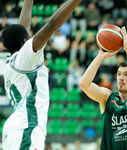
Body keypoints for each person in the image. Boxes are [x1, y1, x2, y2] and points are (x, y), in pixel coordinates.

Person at [1, 0, 81, 150]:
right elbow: (51, 26)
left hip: (18, 128)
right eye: (29, 37)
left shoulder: (12, 60)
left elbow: (22, 28)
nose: (32, 38)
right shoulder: (25, 57)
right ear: (25, 42)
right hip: (26, 127)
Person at [79, 26, 127, 150]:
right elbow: (84, 84)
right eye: (119, 74)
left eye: (126, 74)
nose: (121, 78)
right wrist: (100, 56)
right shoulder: (107, 97)